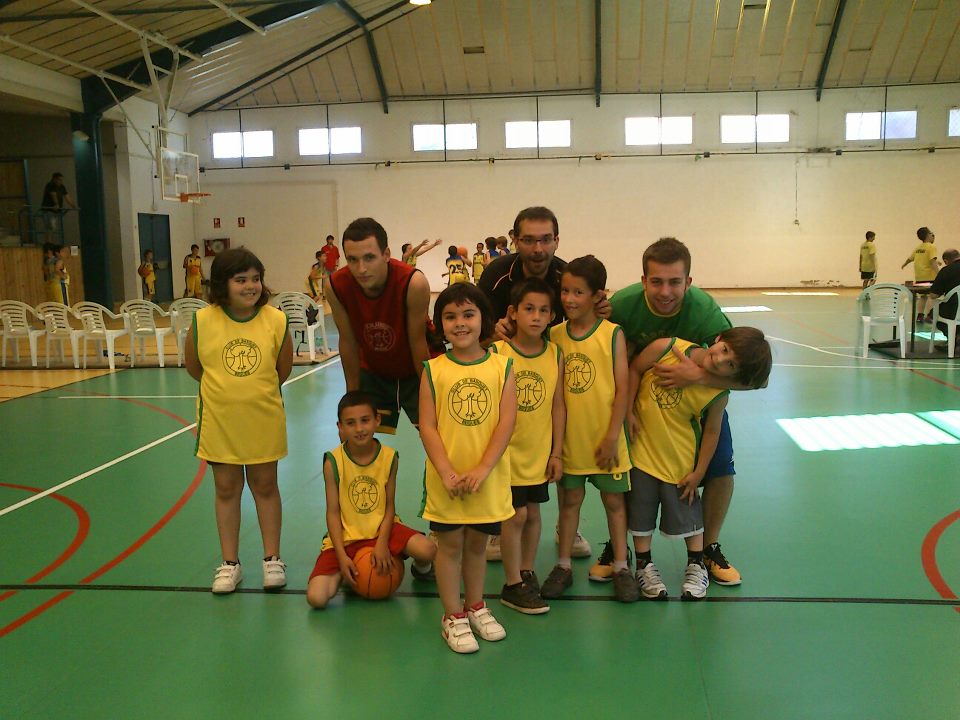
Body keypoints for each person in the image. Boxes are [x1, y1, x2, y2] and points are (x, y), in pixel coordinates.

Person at [607, 237, 746, 587]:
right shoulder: (622, 305)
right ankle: (619, 546)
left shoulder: (706, 312)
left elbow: (746, 374)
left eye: (674, 282)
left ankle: (708, 548)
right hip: (640, 403)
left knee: (720, 465)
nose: (665, 291)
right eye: (656, 282)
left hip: (693, 407)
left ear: (688, 282)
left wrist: (697, 376)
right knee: (623, 468)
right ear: (643, 281)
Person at [478, 206, 597, 558]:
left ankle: (567, 526)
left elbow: (585, 313)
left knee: (560, 448)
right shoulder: (496, 276)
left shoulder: (567, 275)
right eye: (529, 240)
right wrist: (492, 333)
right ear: (515, 240)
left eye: (546, 239)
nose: (538, 249)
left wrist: (599, 309)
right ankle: (500, 522)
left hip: (555, 368)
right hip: (510, 368)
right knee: (507, 444)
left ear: (557, 240)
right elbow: (477, 329)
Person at [626, 328, 771, 601]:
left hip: (680, 461)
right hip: (641, 454)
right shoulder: (666, 348)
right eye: (724, 350)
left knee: (688, 512)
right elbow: (634, 369)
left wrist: (699, 472)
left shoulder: (718, 392)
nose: (720, 360)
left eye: (731, 365)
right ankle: (643, 565)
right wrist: (628, 411)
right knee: (640, 511)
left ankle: (696, 564)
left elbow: (713, 431)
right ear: (718, 339)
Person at [184, 247, 294, 594]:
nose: (251, 286)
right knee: (227, 489)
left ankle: (272, 559)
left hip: (263, 419)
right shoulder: (203, 321)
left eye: (256, 279)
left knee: (265, 486)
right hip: (220, 421)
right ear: (222, 284)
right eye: (241, 280)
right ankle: (230, 563)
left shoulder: (276, 320)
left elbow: (283, 369)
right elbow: (194, 367)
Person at [419, 283, 517, 654]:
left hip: (485, 478)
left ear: (483, 319)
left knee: (477, 545)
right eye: (450, 316)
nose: (460, 323)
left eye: (468, 314)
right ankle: (452, 615)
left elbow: (507, 422)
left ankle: (475, 605)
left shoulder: (502, 366)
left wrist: (483, 468)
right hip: (448, 480)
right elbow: (428, 425)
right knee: (449, 547)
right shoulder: (433, 369)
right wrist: (446, 471)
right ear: (440, 324)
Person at [540, 256, 638, 603]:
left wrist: (612, 435)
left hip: (606, 440)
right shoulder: (554, 335)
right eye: (565, 291)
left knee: (614, 502)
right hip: (571, 441)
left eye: (578, 292)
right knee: (569, 502)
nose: (569, 299)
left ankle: (622, 566)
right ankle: (563, 565)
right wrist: (556, 446)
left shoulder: (612, 334)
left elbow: (622, 389)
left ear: (598, 295)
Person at [306, 391, 437, 609]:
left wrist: (382, 543)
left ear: (377, 420)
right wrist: (341, 556)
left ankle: (421, 569)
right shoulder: (333, 461)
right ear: (340, 427)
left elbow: (389, 506)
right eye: (351, 423)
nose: (359, 429)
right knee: (317, 598)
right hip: (346, 538)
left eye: (365, 420)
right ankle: (348, 571)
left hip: (383, 528)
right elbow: (333, 513)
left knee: (428, 550)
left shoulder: (389, 457)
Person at [491, 278, 564, 615]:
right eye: (529, 309)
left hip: (538, 452)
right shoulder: (498, 353)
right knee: (515, 515)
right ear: (513, 312)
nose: (536, 316)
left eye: (543, 311)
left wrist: (556, 452)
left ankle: (526, 571)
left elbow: (558, 406)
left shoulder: (555, 354)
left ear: (552, 316)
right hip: (508, 454)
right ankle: (511, 584)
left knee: (533, 514)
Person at [324, 217, 432, 434]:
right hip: (374, 371)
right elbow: (348, 341)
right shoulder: (336, 285)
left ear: (386, 254)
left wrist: (431, 395)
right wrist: (351, 400)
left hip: (415, 370)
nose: (361, 269)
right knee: (353, 435)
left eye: (369, 257)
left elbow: (418, 342)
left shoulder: (413, 282)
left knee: (436, 435)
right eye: (352, 259)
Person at [901, 227, 940, 322]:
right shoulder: (931, 247)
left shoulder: (918, 248)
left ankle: (920, 316)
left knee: (923, 296)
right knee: (932, 296)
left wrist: (904, 264)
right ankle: (929, 315)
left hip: (919, 277)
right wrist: (939, 274)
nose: (933, 235)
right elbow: (932, 261)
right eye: (931, 233)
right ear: (927, 235)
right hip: (930, 276)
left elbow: (911, 258)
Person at [929, 248, 960, 348]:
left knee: (933, 314)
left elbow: (934, 295)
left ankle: (953, 338)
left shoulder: (946, 270)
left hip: (954, 309)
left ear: (946, 261)